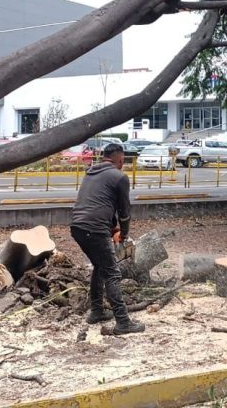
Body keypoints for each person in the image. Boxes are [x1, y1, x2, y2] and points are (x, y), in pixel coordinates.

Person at [70, 143, 145, 334]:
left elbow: (100, 203)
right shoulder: (119, 177)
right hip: (94, 230)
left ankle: (96, 311)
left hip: (78, 227)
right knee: (112, 273)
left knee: (100, 266)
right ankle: (123, 322)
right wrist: (124, 234)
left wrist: (113, 229)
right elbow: (124, 212)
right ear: (120, 159)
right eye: (123, 161)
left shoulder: (90, 172)